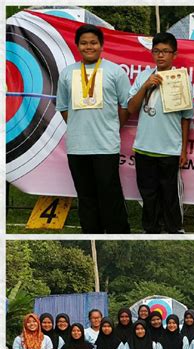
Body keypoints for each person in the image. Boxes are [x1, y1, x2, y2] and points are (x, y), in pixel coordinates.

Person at [55, 24, 130, 234]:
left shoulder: (115, 71)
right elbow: (62, 108)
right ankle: (91, 232)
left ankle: (118, 234)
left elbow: (126, 105)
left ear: (101, 45)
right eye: (84, 43)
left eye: (93, 43)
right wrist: (80, 125)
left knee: (110, 194)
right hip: (77, 147)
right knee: (86, 196)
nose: (89, 47)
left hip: (106, 146)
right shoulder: (67, 73)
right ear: (77, 45)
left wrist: (113, 126)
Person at [128, 32, 193, 234]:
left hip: (169, 149)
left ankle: (174, 228)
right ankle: (151, 229)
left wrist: (183, 149)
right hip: (144, 147)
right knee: (148, 193)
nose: (161, 55)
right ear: (152, 53)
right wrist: (146, 85)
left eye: (166, 52)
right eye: (157, 51)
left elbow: (186, 118)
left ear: (174, 55)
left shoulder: (182, 80)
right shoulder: (143, 76)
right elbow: (131, 108)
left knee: (170, 193)